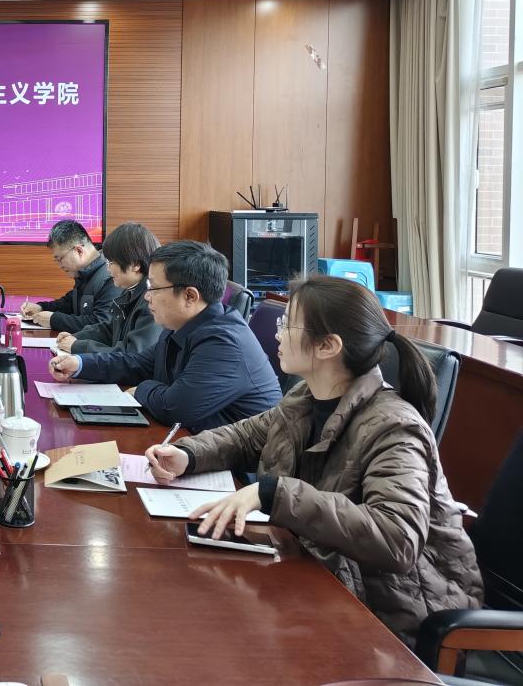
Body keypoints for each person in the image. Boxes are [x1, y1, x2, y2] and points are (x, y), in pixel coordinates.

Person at [144, 275, 482, 645]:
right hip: (325, 576)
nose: (277, 335)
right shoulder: (307, 396)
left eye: (287, 325)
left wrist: (273, 493)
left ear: (327, 346)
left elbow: (397, 538)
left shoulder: (394, 426)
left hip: (393, 612)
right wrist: (187, 454)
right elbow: (247, 436)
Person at [48, 240, 280, 432]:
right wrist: (79, 364)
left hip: (238, 467)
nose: (147, 296)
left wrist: (142, 389)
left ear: (190, 296)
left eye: (154, 288)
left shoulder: (224, 343)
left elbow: (175, 408)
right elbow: (138, 363)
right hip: (191, 443)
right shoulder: (183, 324)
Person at [56, 221, 161, 355]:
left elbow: (131, 357)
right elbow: (110, 330)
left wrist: (79, 346)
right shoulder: (130, 291)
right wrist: (77, 337)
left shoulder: (151, 302)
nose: (108, 268)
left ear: (135, 265)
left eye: (111, 262)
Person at [20, 219, 120, 332]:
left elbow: (102, 324)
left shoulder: (111, 276)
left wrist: (54, 320)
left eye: (60, 259)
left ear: (79, 251)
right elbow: (69, 304)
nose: (60, 266)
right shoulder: (85, 274)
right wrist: (41, 307)